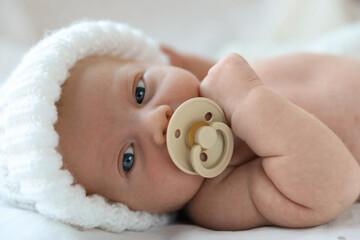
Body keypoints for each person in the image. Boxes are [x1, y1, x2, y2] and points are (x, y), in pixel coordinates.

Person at [1, 20, 359, 233]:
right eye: (128, 158)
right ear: (129, 211)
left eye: (140, 91)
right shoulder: (217, 194)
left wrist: (192, 65)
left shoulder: (209, 80)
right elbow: (335, 183)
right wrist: (249, 100)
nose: (156, 122)